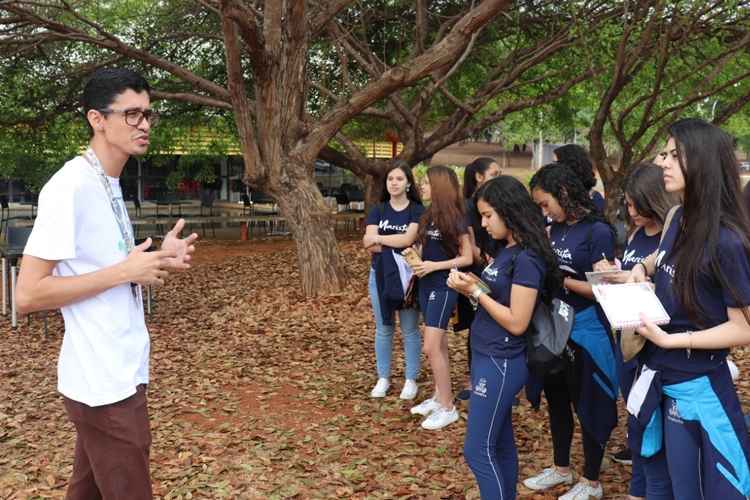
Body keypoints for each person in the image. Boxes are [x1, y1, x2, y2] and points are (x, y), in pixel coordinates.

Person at [15, 68, 198, 500]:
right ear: (97, 119)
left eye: (148, 114)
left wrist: (154, 260)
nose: (145, 124)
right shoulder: (69, 187)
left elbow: (102, 268)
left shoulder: (109, 182)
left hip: (122, 370)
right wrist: (125, 271)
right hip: (102, 386)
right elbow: (27, 294)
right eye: (131, 114)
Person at [627, 118, 750, 499]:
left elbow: (745, 328)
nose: (662, 162)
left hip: (703, 391)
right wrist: (639, 268)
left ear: (702, 162)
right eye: (664, 153)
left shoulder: (727, 242)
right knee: (675, 489)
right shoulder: (676, 217)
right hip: (663, 384)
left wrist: (672, 339)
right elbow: (663, 259)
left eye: (674, 155)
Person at [448, 176, 561, 499]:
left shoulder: (527, 259)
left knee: (477, 450)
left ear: (509, 212)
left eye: (488, 216)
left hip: (502, 361)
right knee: (499, 443)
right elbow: (499, 296)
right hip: (487, 355)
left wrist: (475, 293)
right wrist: (473, 286)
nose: (483, 225)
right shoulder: (507, 251)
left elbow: (516, 321)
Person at [523, 162, 618, 500]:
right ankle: (561, 467)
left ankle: (592, 480)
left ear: (563, 193)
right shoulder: (556, 228)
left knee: (588, 403)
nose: (543, 211)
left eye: (545, 203)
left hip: (587, 330)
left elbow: (604, 289)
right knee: (557, 400)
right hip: (554, 329)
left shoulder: (597, 232)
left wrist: (563, 280)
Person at [610, 163, 678, 500]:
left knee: (653, 428)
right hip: (627, 338)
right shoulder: (636, 235)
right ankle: (638, 488)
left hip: (657, 344)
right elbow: (633, 268)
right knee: (636, 421)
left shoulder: (670, 232)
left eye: (637, 204)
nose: (632, 211)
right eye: (628, 204)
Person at [409, 165, 473, 430]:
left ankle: (448, 408)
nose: (421, 187)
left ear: (439, 187)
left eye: (426, 183)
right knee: (440, 344)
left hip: (443, 286)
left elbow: (467, 257)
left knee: (430, 347)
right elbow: (425, 248)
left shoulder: (457, 219)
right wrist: (414, 255)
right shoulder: (427, 216)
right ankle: (439, 396)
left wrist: (435, 266)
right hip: (425, 284)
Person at [362, 163, 424, 400]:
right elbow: (368, 243)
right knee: (384, 328)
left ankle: (410, 379)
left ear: (408, 183)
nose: (394, 183)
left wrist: (380, 238)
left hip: (408, 277)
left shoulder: (417, 210)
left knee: (409, 329)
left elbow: (410, 239)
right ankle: (384, 377)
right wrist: (394, 241)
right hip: (379, 275)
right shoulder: (378, 210)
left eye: (399, 178)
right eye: (390, 179)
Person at [455, 158, 501, 396]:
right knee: (477, 326)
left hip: (499, 269)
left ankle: (500, 381)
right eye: (494, 173)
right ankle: (475, 379)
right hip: (477, 272)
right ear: (478, 177)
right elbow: (469, 245)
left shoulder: (501, 201)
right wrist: (487, 261)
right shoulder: (465, 207)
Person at [554, 144, 605, 213]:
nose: (552, 168)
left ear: (569, 166)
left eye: (556, 164)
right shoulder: (558, 194)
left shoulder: (594, 200)